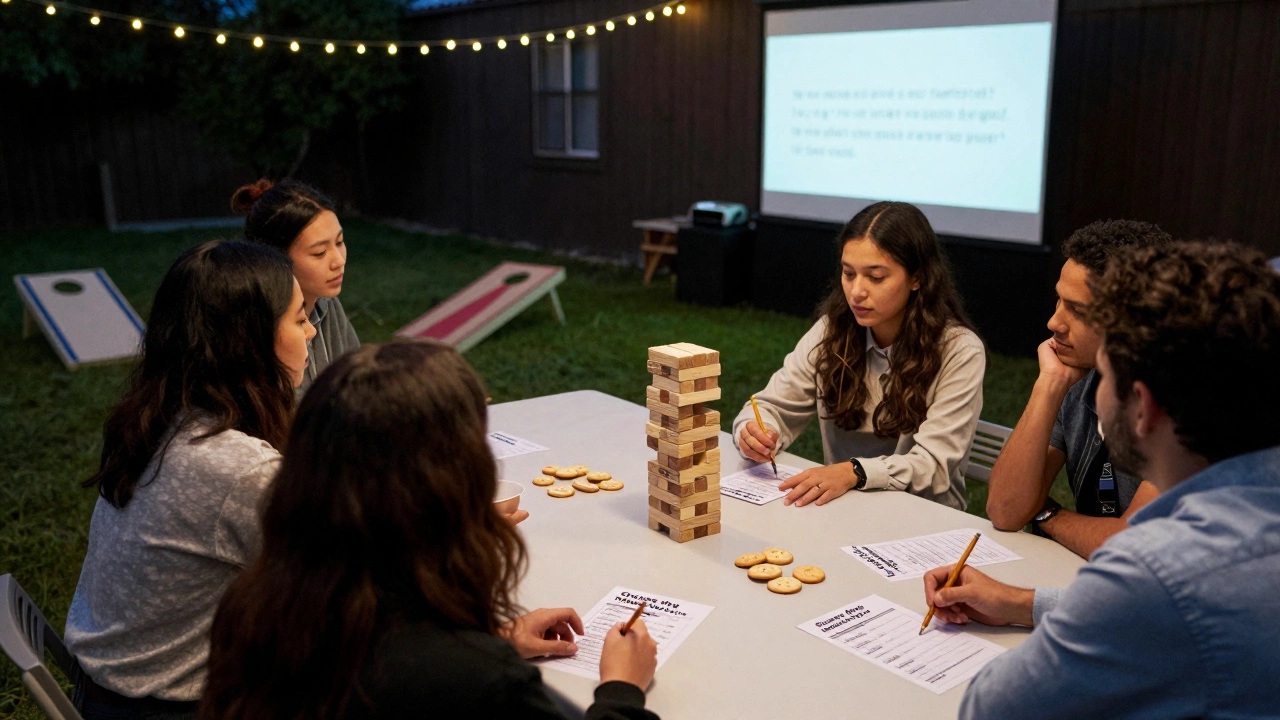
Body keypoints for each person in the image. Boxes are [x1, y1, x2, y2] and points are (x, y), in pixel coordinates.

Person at [199, 341, 660, 720]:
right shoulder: (476, 681)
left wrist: (498, 638)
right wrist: (622, 687)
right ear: (450, 485)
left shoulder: (250, 610)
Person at [923, 241, 1280, 718]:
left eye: (1107, 374)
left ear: (1142, 406)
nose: (1054, 323)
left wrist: (1045, 518)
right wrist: (1022, 603)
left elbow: (990, 707)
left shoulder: (1157, 570)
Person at [64, 241, 315, 719]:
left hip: (106, 689)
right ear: (252, 338)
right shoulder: (238, 468)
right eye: (299, 318)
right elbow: (340, 578)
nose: (312, 330)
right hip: (174, 705)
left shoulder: (158, 420)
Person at [733, 201, 984, 510]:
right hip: (845, 506)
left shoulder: (960, 350)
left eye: (876, 277)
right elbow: (769, 406)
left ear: (918, 278)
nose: (856, 292)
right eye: (848, 273)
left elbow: (933, 464)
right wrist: (753, 432)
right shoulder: (833, 329)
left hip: (923, 518)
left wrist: (854, 472)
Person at [986, 220, 1172, 558]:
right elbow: (1005, 509)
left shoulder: (1182, 406)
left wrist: (1047, 515)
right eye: (1059, 301)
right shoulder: (1079, 380)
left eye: (1077, 311)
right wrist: (1049, 385)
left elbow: (1129, 546)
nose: (1054, 322)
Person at [231, 178, 359, 394]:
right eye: (319, 253)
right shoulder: (257, 330)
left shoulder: (327, 305)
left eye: (339, 242)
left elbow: (357, 384)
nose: (339, 260)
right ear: (276, 258)